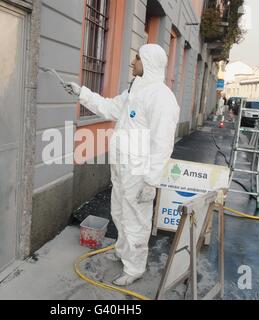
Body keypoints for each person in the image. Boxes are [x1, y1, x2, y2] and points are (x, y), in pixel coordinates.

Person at [63, 44, 180, 286]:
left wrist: (151, 181)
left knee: (136, 219)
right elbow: (109, 107)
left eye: (137, 57)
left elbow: (162, 144)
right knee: (119, 213)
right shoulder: (134, 92)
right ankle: (123, 251)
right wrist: (81, 93)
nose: (133, 61)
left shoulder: (162, 98)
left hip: (140, 172)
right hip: (122, 168)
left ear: (147, 62)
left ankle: (135, 267)